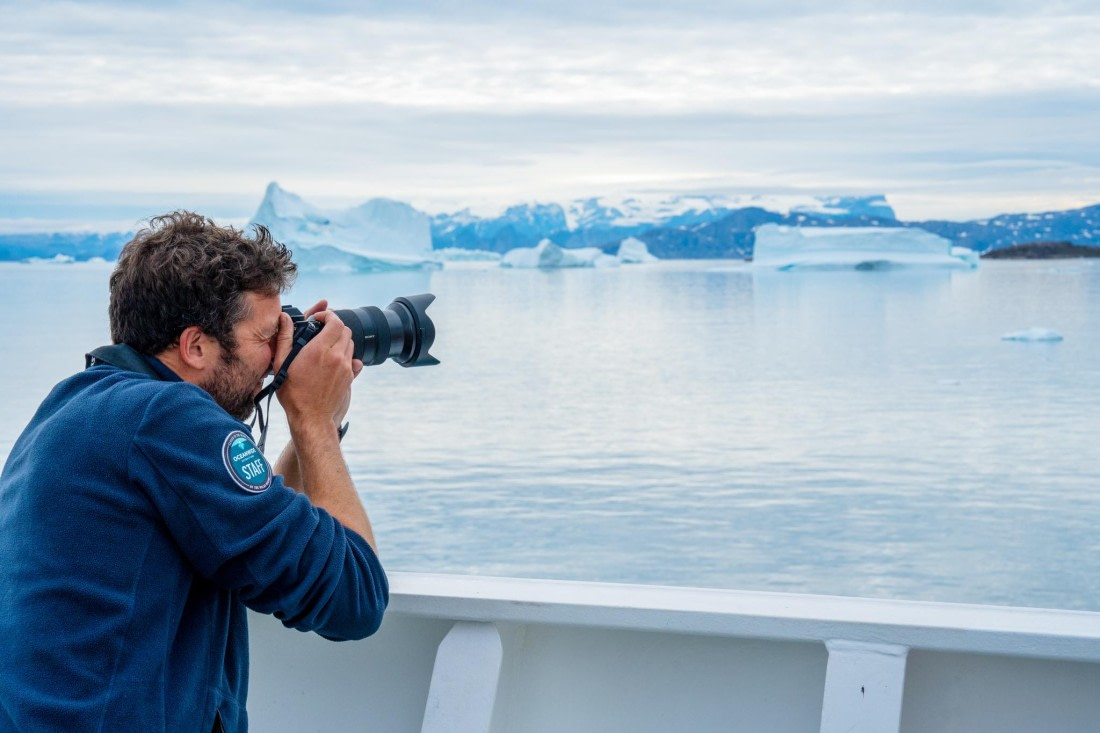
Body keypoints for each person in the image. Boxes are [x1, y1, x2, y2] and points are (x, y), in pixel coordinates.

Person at [0, 212, 388, 732]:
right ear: (196, 346)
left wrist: (314, 423)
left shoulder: (79, 404)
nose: (276, 360)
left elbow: (271, 529)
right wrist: (314, 418)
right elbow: (355, 597)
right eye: (265, 336)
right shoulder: (167, 418)